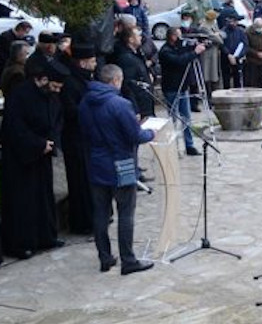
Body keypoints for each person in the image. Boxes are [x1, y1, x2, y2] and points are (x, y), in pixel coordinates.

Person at [79, 64, 156, 275]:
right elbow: (135, 136)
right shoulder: (120, 104)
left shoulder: (85, 102)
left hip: (96, 163)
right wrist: (150, 133)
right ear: (115, 80)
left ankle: (105, 257)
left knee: (100, 213)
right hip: (121, 163)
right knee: (125, 212)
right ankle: (128, 260)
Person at [1, 59, 66, 259]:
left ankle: (46, 236)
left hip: (42, 156)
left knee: (44, 198)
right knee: (23, 203)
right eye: (54, 86)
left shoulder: (50, 96)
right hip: (21, 159)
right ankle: (22, 244)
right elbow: (14, 129)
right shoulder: (20, 96)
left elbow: (57, 119)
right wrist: (38, 144)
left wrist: (51, 142)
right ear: (43, 80)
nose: (56, 91)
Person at [61, 44, 97, 234]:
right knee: (79, 181)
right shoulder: (70, 82)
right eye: (92, 61)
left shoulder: (85, 79)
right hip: (75, 139)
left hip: (86, 138)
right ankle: (82, 222)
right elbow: (70, 110)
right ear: (83, 63)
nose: (95, 64)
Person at [159, 27, 205, 155]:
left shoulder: (177, 48)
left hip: (183, 87)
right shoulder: (165, 51)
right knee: (173, 119)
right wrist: (194, 52)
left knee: (187, 118)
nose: (181, 39)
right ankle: (174, 145)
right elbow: (179, 61)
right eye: (179, 36)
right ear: (173, 37)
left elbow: (185, 54)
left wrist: (194, 47)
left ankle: (189, 145)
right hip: (171, 88)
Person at [115, 26, 155, 118]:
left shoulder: (137, 54)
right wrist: (135, 109)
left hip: (146, 101)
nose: (141, 38)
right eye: (138, 36)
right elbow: (128, 86)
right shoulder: (126, 58)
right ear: (131, 39)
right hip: (140, 105)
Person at [197, 9, 224, 95]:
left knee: (214, 76)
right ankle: (208, 96)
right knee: (207, 75)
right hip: (207, 55)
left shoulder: (213, 25)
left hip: (214, 53)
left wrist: (217, 35)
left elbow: (221, 35)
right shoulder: (204, 27)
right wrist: (217, 35)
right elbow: (219, 40)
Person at [220, 16, 248, 89]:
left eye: (234, 21)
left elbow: (245, 45)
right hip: (226, 58)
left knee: (237, 78)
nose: (232, 23)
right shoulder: (223, 31)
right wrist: (228, 54)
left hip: (237, 58)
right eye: (230, 21)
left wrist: (237, 56)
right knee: (226, 78)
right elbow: (221, 44)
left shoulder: (241, 31)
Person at [245, 17, 262, 88]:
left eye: (261, 26)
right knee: (253, 81)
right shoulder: (247, 32)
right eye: (258, 27)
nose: (260, 28)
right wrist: (256, 53)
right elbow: (246, 46)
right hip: (252, 60)